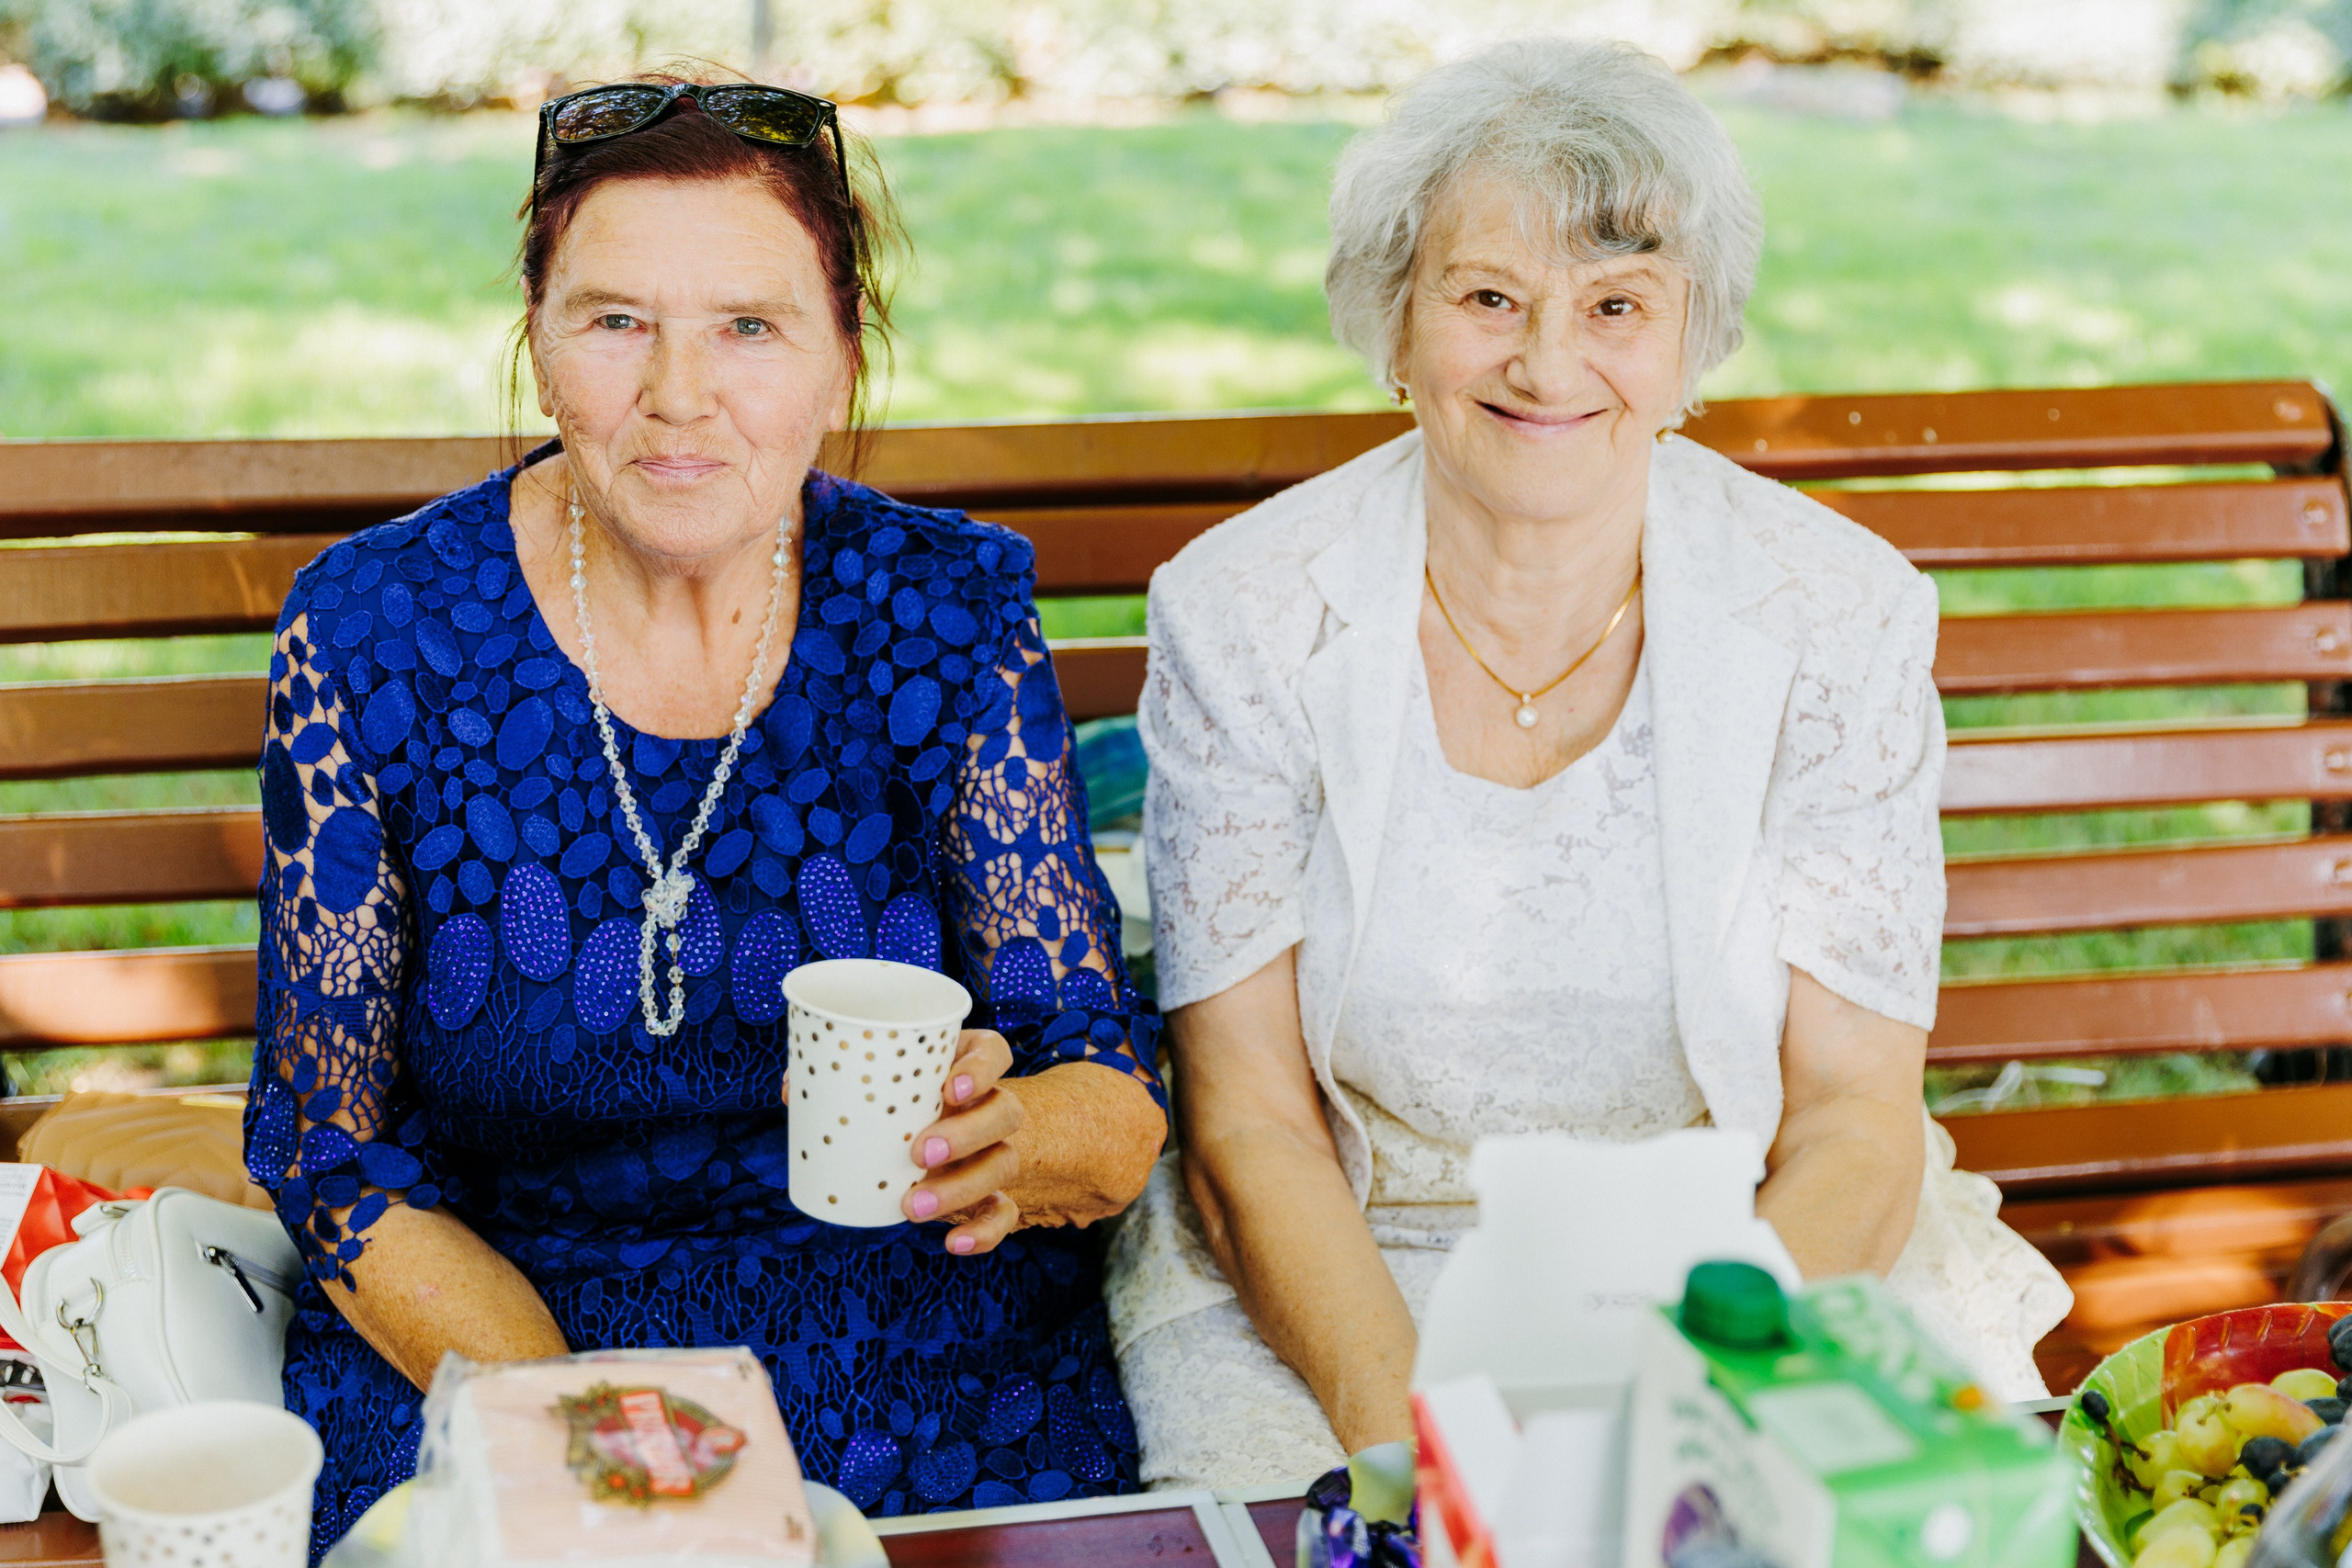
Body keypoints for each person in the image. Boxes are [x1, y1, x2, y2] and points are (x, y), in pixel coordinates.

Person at [1107, 37, 2071, 1489]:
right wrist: (1433, 1464)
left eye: (1616, 304)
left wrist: (1679, 1435)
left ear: (1691, 342)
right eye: (1488, 297)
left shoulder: (1839, 610)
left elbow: (1855, 1120)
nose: (1548, 362)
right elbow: (1251, 1122)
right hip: (1350, 1271)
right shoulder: (1244, 611)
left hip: (1756, 1264)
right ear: (1395, 319)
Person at [243, 73, 1165, 1558]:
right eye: (616, 322)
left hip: (911, 1335)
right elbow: (323, 1147)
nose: (680, 395)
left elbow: (1101, 1075)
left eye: (749, 326)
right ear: (539, 345)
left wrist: (1027, 1133)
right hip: (502, 1321)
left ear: (838, 361)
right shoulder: (370, 628)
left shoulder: (946, 605)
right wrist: (601, 1459)